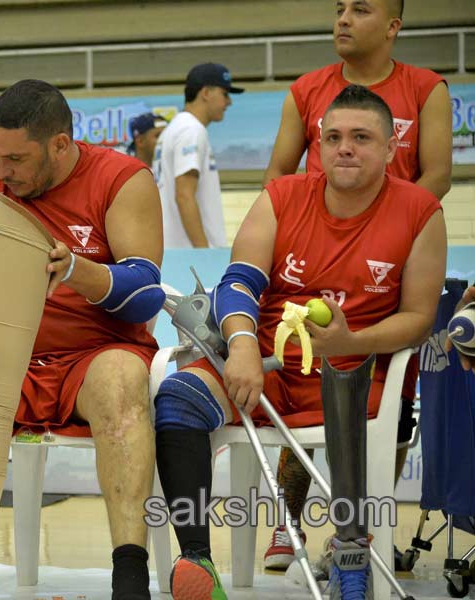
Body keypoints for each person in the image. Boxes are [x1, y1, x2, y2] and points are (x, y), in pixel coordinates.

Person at [153, 85, 445, 600]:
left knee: (349, 394)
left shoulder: (420, 211)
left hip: (355, 373)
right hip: (265, 365)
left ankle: (350, 554)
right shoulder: (282, 195)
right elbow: (239, 281)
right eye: (332, 137)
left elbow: (419, 319)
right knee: (178, 399)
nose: (344, 148)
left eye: (360, 137)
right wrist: (241, 344)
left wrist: (351, 340)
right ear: (317, 144)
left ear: (390, 148)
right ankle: (196, 561)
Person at [0, 79, 165, 600]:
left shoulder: (123, 179)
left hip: (92, 353)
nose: (2, 171)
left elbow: (146, 294)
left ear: (60, 143)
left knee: (123, 382)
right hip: (8, 349)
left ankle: (130, 576)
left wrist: (79, 271)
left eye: (17, 159)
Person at [261, 0, 452, 569]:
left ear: (393, 26)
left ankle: (365, 528)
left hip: (393, 269)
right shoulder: (305, 89)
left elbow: (437, 173)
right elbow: (279, 172)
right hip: (314, 266)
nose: (342, 18)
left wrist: (391, 231)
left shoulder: (426, 87)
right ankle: (285, 522)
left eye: (360, 9)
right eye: (338, 8)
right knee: (299, 378)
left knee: (392, 408)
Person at [158, 63, 242, 249]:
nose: (229, 102)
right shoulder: (191, 130)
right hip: (190, 255)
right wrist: (203, 253)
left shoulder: (173, 129)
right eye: (225, 94)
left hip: (176, 250)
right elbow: (184, 195)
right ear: (206, 93)